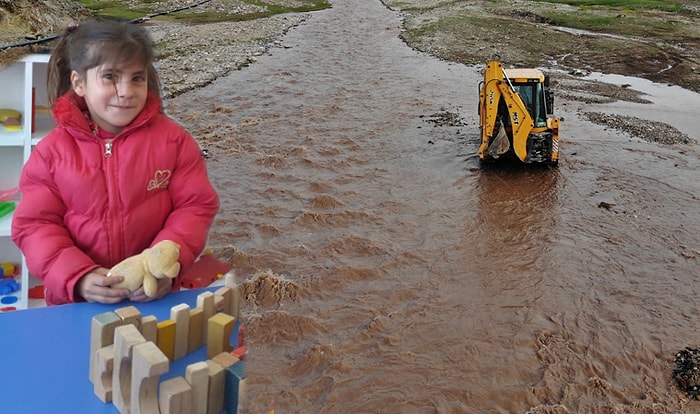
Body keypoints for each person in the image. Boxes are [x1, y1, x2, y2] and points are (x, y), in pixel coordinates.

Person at [11, 20, 220, 306]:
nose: (126, 92)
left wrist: (167, 264)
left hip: (153, 295)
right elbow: (35, 225)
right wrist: (78, 277)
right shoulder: (51, 153)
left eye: (137, 78)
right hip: (80, 302)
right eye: (110, 77)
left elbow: (195, 206)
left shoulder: (174, 140)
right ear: (79, 83)